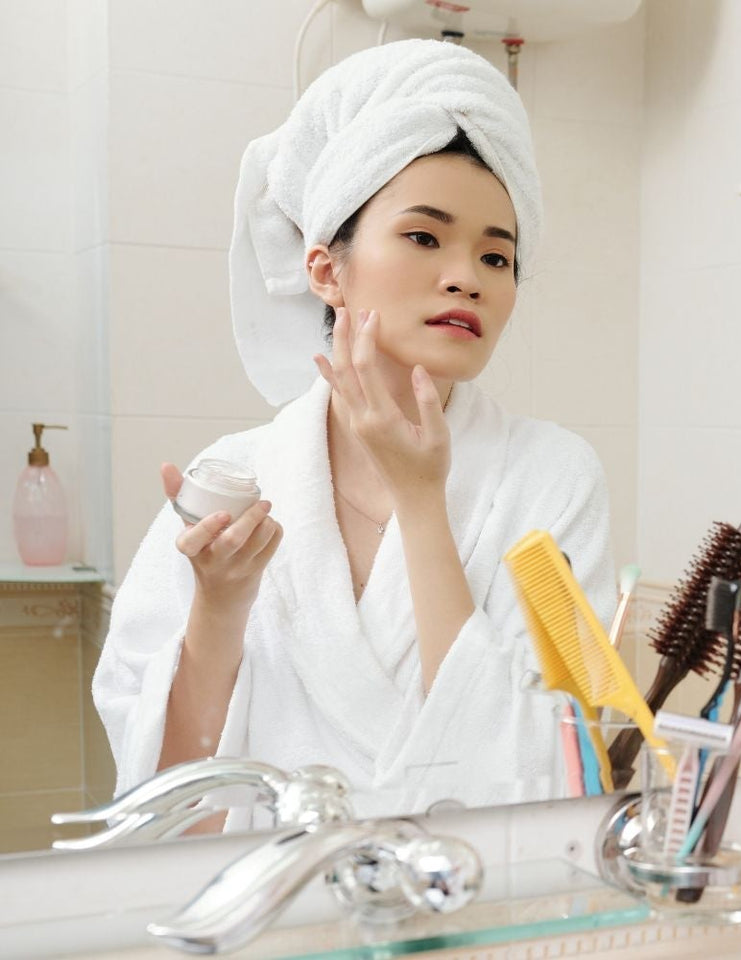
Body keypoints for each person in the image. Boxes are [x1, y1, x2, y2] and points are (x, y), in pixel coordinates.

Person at [94, 40, 612, 822]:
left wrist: (421, 498)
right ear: (326, 270)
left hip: (468, 911)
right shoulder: (236, 481)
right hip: (270, 917)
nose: (467, 275)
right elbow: (162, 806)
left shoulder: (553, 476)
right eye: (424, 237)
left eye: (497, 256)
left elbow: (551, 776)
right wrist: (220, 606)